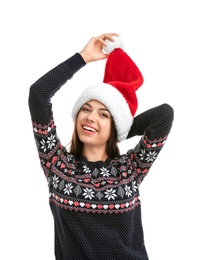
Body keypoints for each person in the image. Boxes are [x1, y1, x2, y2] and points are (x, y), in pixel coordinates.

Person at [28, 33, 174, 260]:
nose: (90, 117)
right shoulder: (56, 163)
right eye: (85, 109)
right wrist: (83, 57)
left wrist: (118, 128)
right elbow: (38, 95)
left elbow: (164, 115)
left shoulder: (130, 168)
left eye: (103, 114)